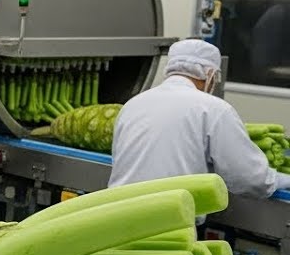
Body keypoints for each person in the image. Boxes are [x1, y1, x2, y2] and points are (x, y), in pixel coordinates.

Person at [110, 38, 290, 198]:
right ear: (211, 75)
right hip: (165, 221)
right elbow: (249, 178)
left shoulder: (132, 104)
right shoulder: (214, 109)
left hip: (117, 212)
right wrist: (282, 179)